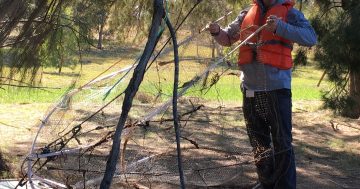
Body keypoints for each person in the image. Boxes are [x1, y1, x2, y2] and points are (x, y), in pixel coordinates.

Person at [208, 0, 317, 188]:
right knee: (258, 140)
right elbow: (227, 39)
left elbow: (310, 37)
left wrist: (280, 27)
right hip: (250, 89)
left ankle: (284, 186)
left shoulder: (290, 13)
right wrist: (217, 31)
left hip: (277, 90)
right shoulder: (246, 13)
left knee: (282, 143)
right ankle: (266, 182)